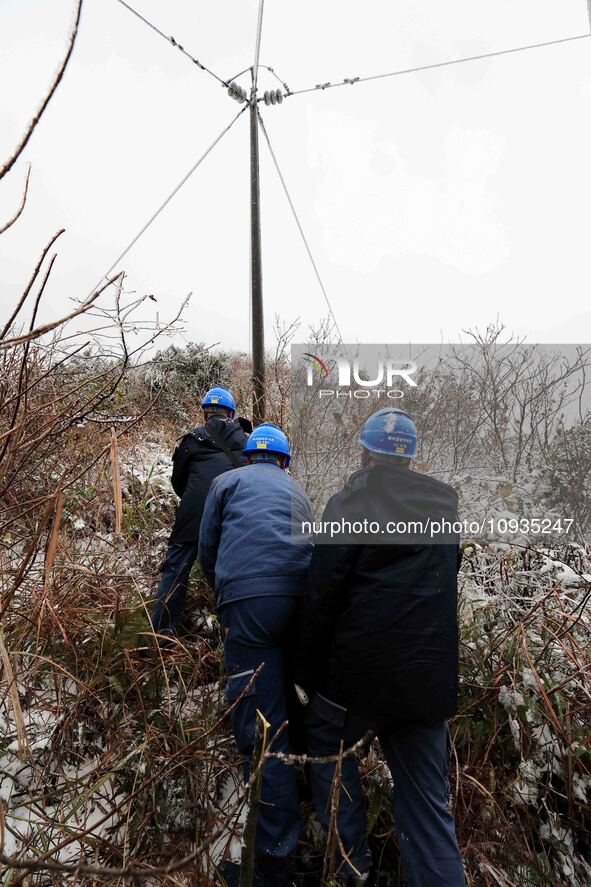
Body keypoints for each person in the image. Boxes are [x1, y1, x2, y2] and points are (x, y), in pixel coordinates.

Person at [292, 408, 465, 886]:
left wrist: (303, 675)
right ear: (410, 459)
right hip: (425, 684)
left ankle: (352, 870)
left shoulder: (350, 503)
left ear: (365, 453)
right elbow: (444, 583)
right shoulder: (444, 509)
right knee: (427, 803)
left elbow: (321, 595)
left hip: (357, 677)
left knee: (329, 749)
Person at [198, 423, 313, 887]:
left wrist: (224, 592)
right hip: (302, 605)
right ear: (284, 461)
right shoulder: (299, 491)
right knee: (289, 705)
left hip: (248, 603)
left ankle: (272, 863)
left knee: (261, 729)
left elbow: (208, 550)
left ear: (248, 456)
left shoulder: (226, 482)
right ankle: (306, 809)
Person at [150, 386, 249, 642]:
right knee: (229, 576)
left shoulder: (191, 440)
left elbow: (178, 483)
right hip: (231, 518)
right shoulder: (248, 443)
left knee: (175, 572)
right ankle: (229, 635)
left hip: (192, 519)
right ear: (230, 413)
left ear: (205, 413)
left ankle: (161, 637)